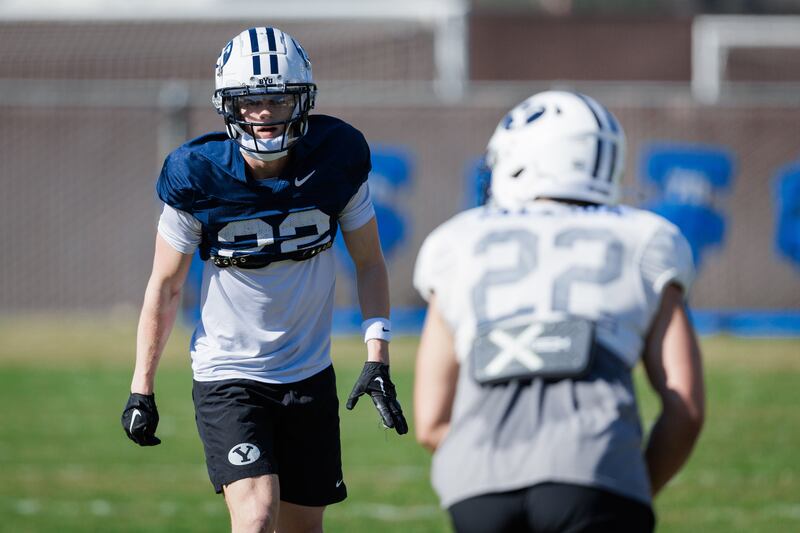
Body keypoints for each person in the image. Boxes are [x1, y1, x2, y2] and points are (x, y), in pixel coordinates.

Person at [120, 27, 407, 533]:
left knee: (303, 528)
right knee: (255, 518)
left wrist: (376, 354)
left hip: (308, 370)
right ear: (228, 106)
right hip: (229, 373)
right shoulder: (197, 175)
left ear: (301, 100)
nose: (264, 113)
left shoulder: (336, 158)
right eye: (250, 101)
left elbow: (370, 263)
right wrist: (142, 386)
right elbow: (164, 287)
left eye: (277, 98)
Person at [413, 90, 704, 533]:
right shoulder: (647, 238)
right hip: (596, 468)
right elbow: (685, 407)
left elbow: (431, 420)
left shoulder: (454, 241)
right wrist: (632, 484)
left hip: (476, 483)